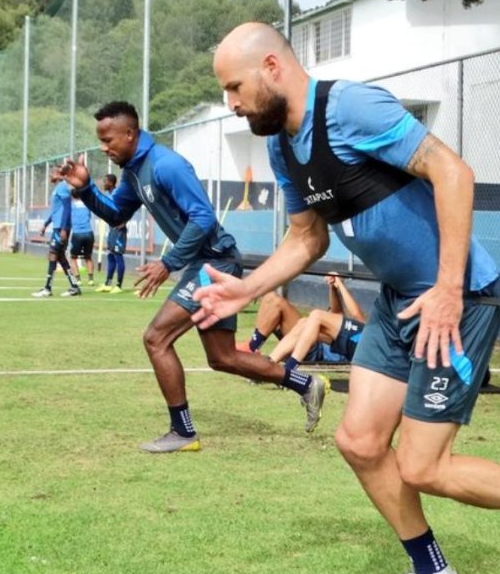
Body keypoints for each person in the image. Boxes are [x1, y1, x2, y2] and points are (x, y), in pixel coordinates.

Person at [194, 22, 500, 574]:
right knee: (360, 441)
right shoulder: (283, 146)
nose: (231, 104)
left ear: (272, 68)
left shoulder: (350, 108)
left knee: (422, 464)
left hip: (456, 302)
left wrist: (447, 288)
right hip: (396, 303)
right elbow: (307, 238)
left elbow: (453, 172)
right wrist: (244, 291)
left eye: (235, 87)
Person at [58, 100, 328, 452]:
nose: (104, 149)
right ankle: (305, 384)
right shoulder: (135, 172)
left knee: (156, 338)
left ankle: (183, 432)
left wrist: (168, 263)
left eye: (109, 140)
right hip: (206, 262)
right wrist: (85, 189)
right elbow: (117, 214)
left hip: (214, 264)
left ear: (130, 133)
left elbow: (203, 218)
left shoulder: (166, 165)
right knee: (223, 358)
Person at [268, 272, 367, 365]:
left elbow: (358, 317)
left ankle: (286, 367)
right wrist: (333, 287)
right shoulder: (341, 329)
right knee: (303, 320)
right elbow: (337, 313)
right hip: (313, 344)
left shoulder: (362, 336)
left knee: (313, 317)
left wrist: (341, 285)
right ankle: (269, 362)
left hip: (317, 350)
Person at [31, 168, 82, 298]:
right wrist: (45, 225)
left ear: (60, 175)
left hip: (61, 228)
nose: (50, 175)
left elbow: (67, 208)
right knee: (60, 257)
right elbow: (56, 211)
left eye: (53, 172)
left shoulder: (63, 188)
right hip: (57, 227)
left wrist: (64, 228)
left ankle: (48, 288)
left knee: (53, 254)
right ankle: (74, 287)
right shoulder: (57, 189)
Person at [95, 173, 128, 294]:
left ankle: (119, 285)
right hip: (112, 229)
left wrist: (124, 221)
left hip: (119, 230)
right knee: (110, 255)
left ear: (111, 182)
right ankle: (108, 283)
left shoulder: (117, 194)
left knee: (118, 255)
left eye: (105, 181)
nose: (104, 183)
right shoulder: (109, 195)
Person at [69, 187, 97, 286]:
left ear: (72, 196)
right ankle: (90, 279)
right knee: (88, 257)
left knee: (73, 258)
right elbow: (88, 216)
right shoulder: (87, 205)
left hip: (77, 233)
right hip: (89, 232)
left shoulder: (71, 206)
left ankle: (78, 279)